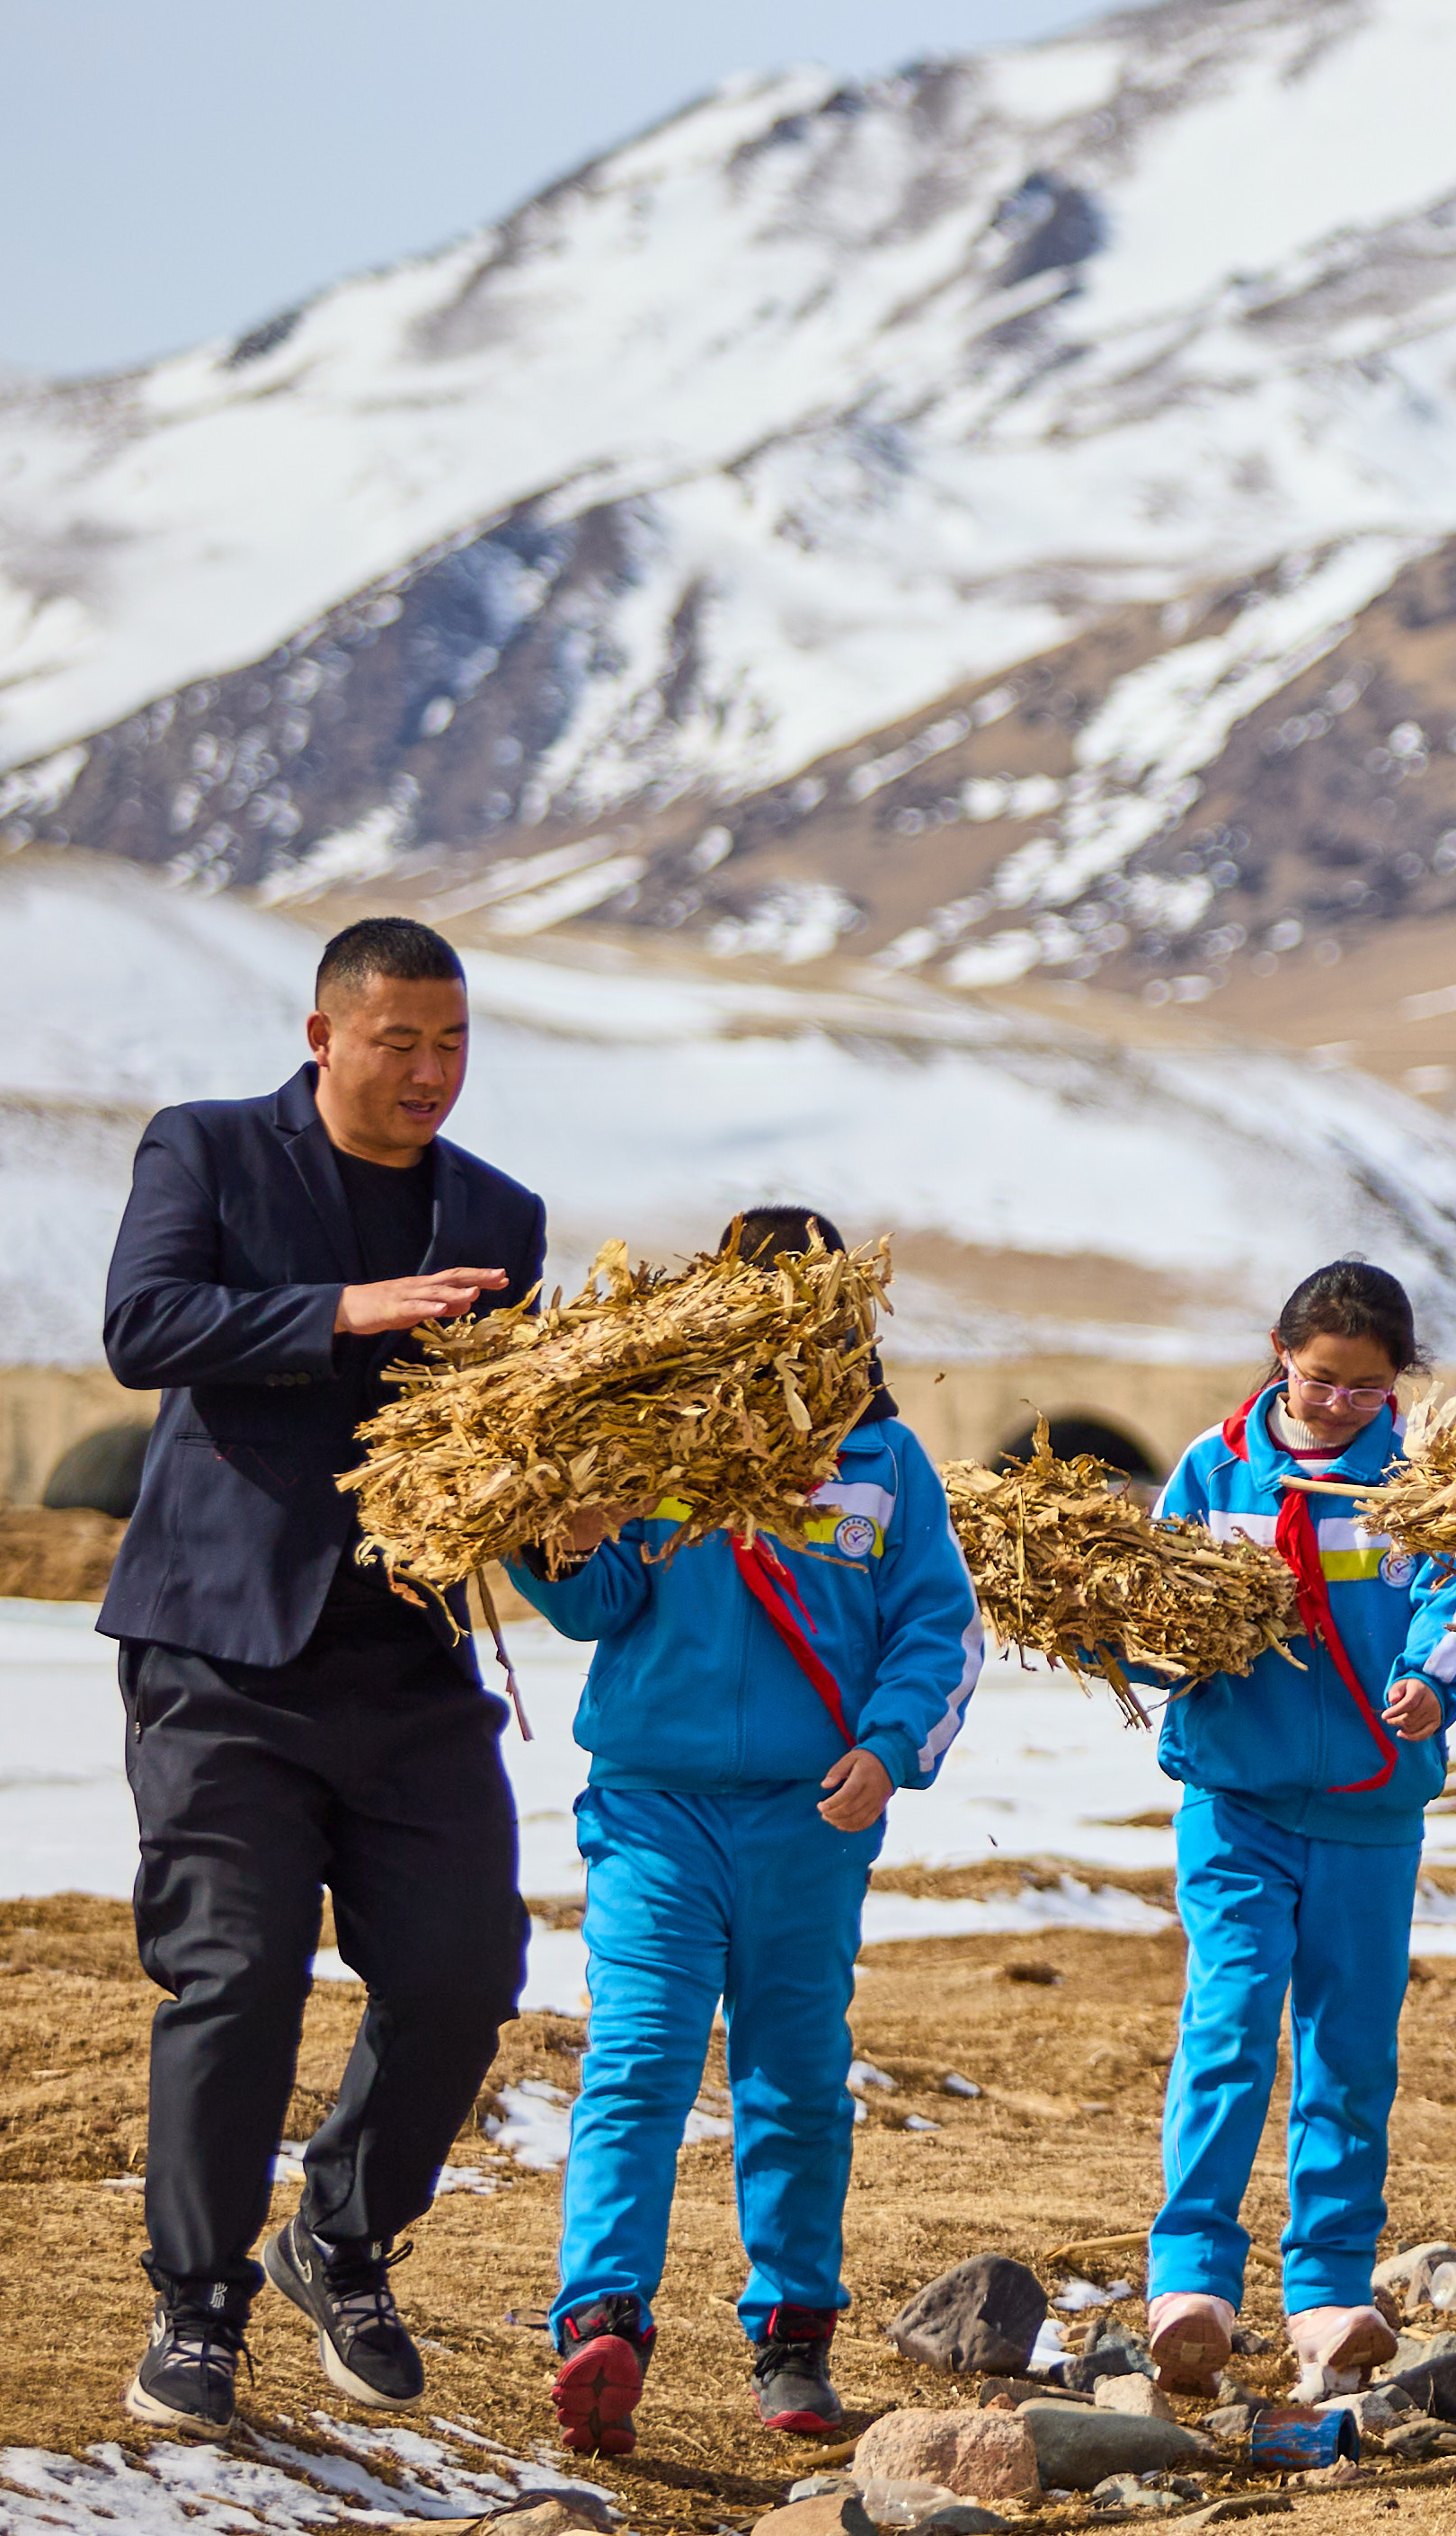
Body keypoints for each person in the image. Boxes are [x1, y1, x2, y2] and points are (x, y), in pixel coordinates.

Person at [98, 916, 546, 2433]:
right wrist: (337, 1313)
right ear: (323, 1034)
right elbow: (143, 1326)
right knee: (237, 1976)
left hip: (408, 1659)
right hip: (219, 1648)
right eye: (400, 1039)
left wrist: (576, 1482)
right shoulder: (211, 1153)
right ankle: (195, 2306)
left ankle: (339, 2237)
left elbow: (504, 1429)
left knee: (465, 1966)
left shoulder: (502, 1211)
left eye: (454, 1040)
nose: (431, 1069)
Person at [518, 1208, 989, 2455]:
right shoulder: (652, 1437)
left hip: (808, 1819)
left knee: (793, 2081)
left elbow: (938, 1629)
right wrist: (561, 1545)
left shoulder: (884, 1461)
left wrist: (891, 1755)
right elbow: (601, 1601)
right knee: (639, 2063)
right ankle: (601, 2322)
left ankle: (793, 2342)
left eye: (812, 1308)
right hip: (654, 1809)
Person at [1136, 1261, 1456, 2401]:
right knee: (1229, 2025)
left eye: (1368, 1388)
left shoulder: (1423, 1483)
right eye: (1323, 1380)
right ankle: (1190, 2281)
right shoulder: (1209, 1468)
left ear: (1401, 1382)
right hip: (1235, 1803)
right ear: (1283, 1355)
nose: (1341, 1405)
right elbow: (1149, 1604)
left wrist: (1434, 1684)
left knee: (1350, 2047)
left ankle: (1329, 2293)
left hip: (1370, 1817)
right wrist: (1144, 1644)